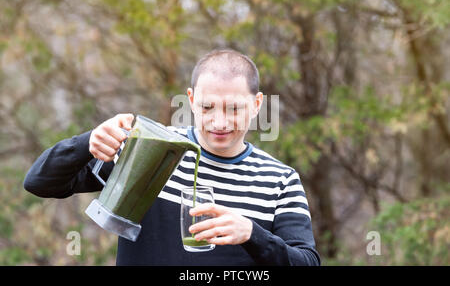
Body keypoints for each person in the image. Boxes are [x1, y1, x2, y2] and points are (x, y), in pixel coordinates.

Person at [24, 49, 320, 266]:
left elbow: (306, 263)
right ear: (191, 100)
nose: (219, 122)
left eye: (233, 109)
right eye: (207, 108)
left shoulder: (279, 180)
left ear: (256, 105)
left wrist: (252, 235)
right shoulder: (149, 147)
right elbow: (40, 182)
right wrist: (87, 142)